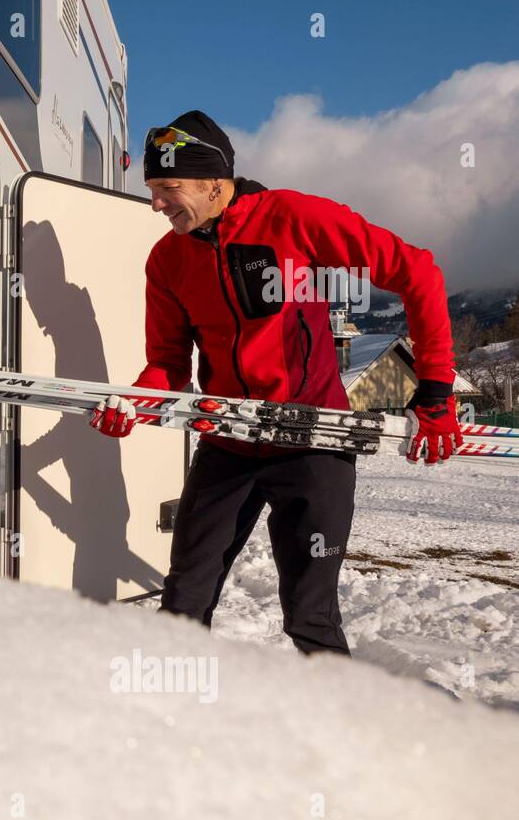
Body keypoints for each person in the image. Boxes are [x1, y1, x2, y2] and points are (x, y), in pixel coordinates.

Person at [90, 110, 460, 656]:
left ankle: (333, 731)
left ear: (215, 184)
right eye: (152, 190)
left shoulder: (291, 217)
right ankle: (168, 724)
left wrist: (434, 393)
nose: (156, 205)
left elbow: (418, 272)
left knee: (309, 616)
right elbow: (167, 364)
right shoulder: (167, 260)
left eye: (168, 189)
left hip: (313, 441)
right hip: (228, 443)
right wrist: (138, 403)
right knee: (183, 603)